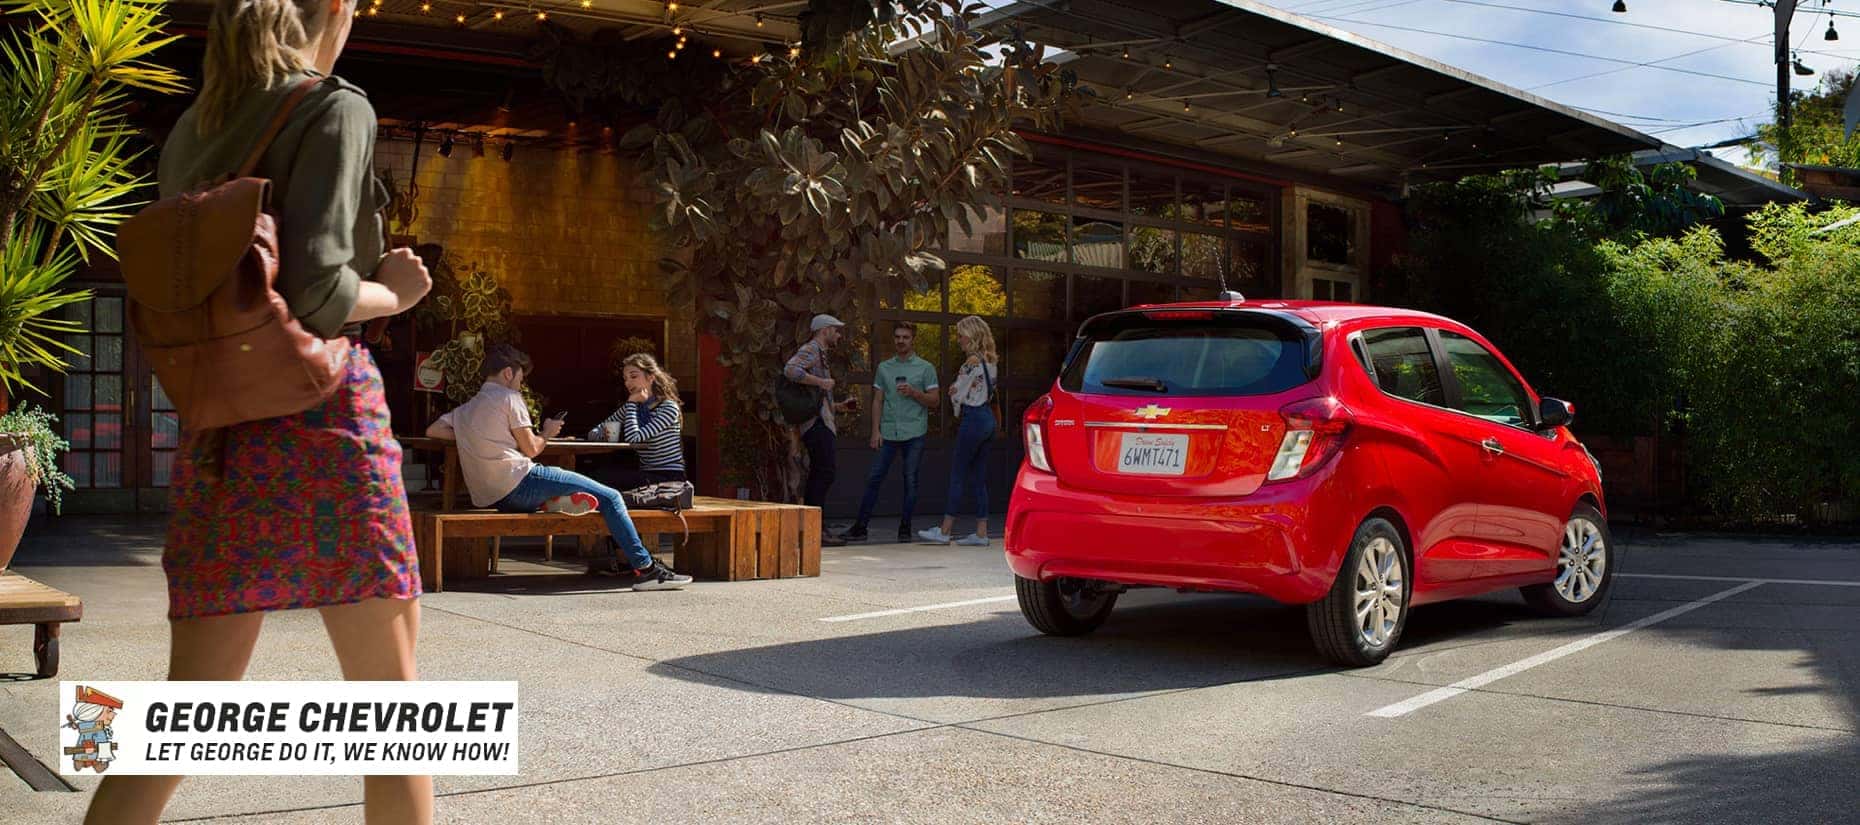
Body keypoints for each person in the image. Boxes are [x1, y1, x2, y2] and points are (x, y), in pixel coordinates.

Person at [87, 1, 436, 822]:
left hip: (223, 428)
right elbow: (317, 292)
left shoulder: (193, 130)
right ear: (338, 11)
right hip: (325, 421)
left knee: (185, 710)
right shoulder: (335, 105)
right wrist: (397, 289)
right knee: (393, 712)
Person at [426, 344, 692, 590]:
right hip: (522, 481)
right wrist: (548, 432)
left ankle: (557, 501)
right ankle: (646, 569)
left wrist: (479, 436)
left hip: (493, 497)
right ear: (508, 373)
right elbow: (532, 449)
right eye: (520, 377)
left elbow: (434, 429)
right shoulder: (509, 398)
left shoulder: (468, 408)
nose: (521, 383)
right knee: (610, 496)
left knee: (596, 487)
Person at [842, 322, 939, 543]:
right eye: (897, 337)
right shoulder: (884, 368)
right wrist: (875, 431)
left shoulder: (925, 368)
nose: (901, 341)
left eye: (905, 337)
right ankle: (860, 527)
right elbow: (877, 400)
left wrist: (914, 393)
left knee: (910, 481)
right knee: (874, 478)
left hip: (914, 431)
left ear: (913, 339)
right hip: (888, 432)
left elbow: (935, 400)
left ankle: (905, 528)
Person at [918, 316, 1000, 547]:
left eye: (961, 334)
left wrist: (953, 393)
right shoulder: (990, 362)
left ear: (972, 336)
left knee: (957, 474)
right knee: (978, 477)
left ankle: (944, 531)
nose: (958, 339)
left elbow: (956, 393)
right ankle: (982, 533)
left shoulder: (970, 363)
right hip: (987, 420)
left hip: (973, 419)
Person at [784, 314, 856, 547]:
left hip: (821, 420)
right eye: (836, 330)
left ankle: (814, 527)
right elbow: (791, 369)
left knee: (821, 473)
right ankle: (815, 528)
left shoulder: (820, 353)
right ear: (824, 330)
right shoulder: (812, 349)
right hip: (815, 425)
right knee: (824, 472)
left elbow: (817, 398)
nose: (838, 335)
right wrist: (820, 382)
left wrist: (838, 406)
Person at [587, 352, 686, 489]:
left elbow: (634, 439)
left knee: (600, 479)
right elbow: (593, 433)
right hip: (646, 474)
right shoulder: (631, 407)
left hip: (669, 478)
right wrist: (608, 434)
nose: (628, 383)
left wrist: (632, 403)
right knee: (595, 476)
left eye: (633, 376)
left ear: (650, 377)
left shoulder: (668, 408)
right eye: (625, 379)